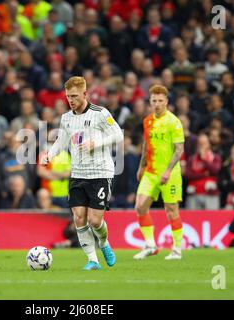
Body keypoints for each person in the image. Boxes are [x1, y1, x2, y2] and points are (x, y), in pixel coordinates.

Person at [41, 76, 123, 270]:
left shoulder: (100, 113)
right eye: (68, 96)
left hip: (100, 173)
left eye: (75, 96)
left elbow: (118, 134)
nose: (71, 100)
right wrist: (50, 154)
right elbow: (62, 140)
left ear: (85, 94)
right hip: (78, 174)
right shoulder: (66, 118)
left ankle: (103, 243)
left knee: (95, 220)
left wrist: (97, 143)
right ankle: (92, 260)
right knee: (79, 217)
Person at [134, 85, 185, 260]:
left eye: (160, 101)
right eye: (154, 101)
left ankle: (177, 249)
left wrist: (168, 170)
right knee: (140, 207)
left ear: (167, 102)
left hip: (170, 173)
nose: (157, 104)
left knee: (171, 210)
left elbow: (179, 150)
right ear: (150, 101)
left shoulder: (174, 122)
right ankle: (150, 245)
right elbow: (146, 145)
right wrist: (141, 166)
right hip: (151, 171)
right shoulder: (147, 121)